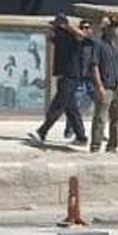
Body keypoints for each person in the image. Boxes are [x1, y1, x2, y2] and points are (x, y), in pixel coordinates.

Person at [28, 14, 89, 146]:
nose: (54, 28)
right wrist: (55, 28)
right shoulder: (59, 37)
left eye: (56, 26)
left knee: (58, 105)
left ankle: (41, 132)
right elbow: (50, 36)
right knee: (71, 108)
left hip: (71, 76)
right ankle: (81, 137)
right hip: (62, 76)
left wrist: (66, 26)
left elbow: (82, 36)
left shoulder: (73, 37)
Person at [90, 19, 118, 154]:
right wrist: (99, 86)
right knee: (100, 117)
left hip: (117, 87)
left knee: (116, 118)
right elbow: (94, 66)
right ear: (106, 29)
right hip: (106, 87)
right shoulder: (99, 44)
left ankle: (112, 146)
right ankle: (95, 146)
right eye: (113, 27)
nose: (116, 30)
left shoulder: (117, 46)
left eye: (117, 27)